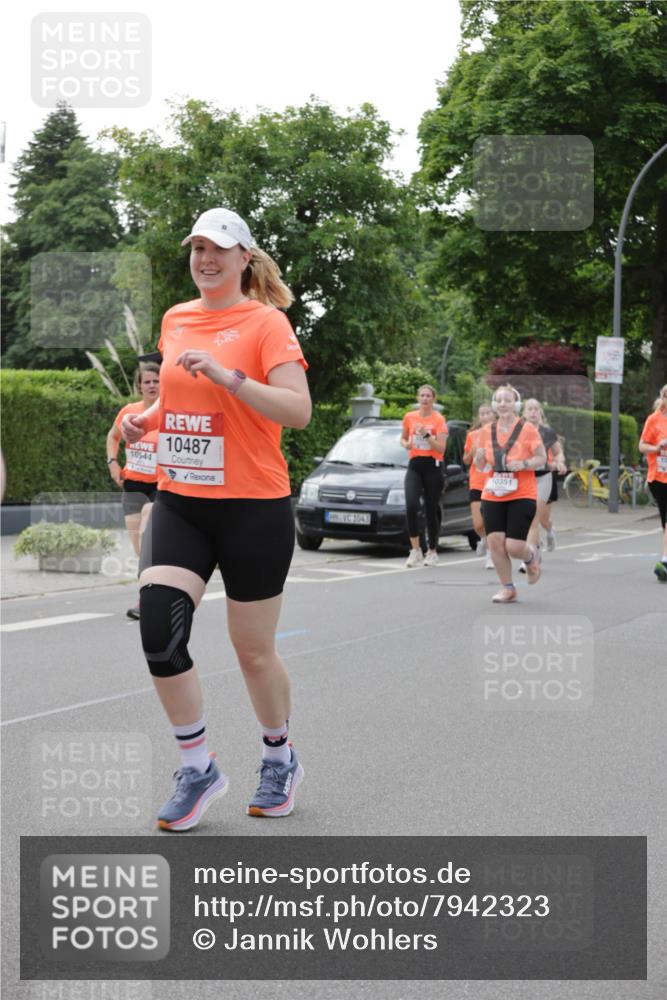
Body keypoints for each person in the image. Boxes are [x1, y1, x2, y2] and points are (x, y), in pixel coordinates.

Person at [120, 207, 311, 830]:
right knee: (159, 635)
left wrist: (231, 377)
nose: (206, 259)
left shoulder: (267, 324)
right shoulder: (177, 317)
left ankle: (279, 755)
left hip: (254, 505)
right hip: (180, 502)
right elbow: (175, 394)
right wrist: (145, 420)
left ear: (244, 260)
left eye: (219, 249)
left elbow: (297, 411)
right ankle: (198, 766)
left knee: (252, 652)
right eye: (197, 248)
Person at [474, 385, 546, 603]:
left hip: (521, 492)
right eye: (499, 400)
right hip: (493, 491)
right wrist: (478, 457)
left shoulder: (528, 430)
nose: (503, 404)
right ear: (495, 405)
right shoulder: (486, 431)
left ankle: (531, 557)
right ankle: (508, 588)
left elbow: (541, 458)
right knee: (495, 542)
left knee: (514, 547)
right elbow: (481, 466)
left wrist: (523, 463)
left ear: (515, 405)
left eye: (507, 400)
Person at [106, 362, 161, 619]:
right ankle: (156, 587)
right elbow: (113, 437)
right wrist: (112, 463)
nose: (151, 385)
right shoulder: (129, 411)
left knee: (147, 535)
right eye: (147, 381)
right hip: (132, 485)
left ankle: (146, 599)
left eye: (156, 381)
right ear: (139, 385)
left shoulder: (169, 412)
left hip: (160, 485)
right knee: (140, 547)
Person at [400, 385, 448, 567]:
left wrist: (427, 435)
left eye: (429, 396)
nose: (425, 399)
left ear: (433, 399)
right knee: (411, 505)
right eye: (422, 395)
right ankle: (415, 550)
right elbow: (403, 438)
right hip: (415, 465)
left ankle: (432, 550)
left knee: (430, 509)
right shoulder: (410, 417)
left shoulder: (439, 420)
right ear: (418, 398)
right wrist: (405, 444)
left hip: (433, 467)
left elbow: (441, 448)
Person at [519, 399, 567, 571]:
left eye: (536, 409)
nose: (533, 412)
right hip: (525, 478)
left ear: (540, 413)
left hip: (544, 477)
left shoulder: (547, 432)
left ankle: (550, 530)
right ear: (523, 413)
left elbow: (558, 452)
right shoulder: (517, 432)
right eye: (529, 409)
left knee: (543, 520)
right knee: (531, 519)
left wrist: (560, 462)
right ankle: (531, 557)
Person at [639, 383, 667, 582]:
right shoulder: (654, 419)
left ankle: (665, 561)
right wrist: (658, 446)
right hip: (658, 477)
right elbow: (642, 446)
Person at [463, 403, 495, 569]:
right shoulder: (472, 435)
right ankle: (483, 538)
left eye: (488, 413)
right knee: (478, 524)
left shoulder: (498, 434)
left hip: (493, 482)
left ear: (493, 415)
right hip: (476, 481)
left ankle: (490, 554)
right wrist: (473, 450)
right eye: (482, 414)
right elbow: (466, 460)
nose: (484, 417)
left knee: (490, 520)